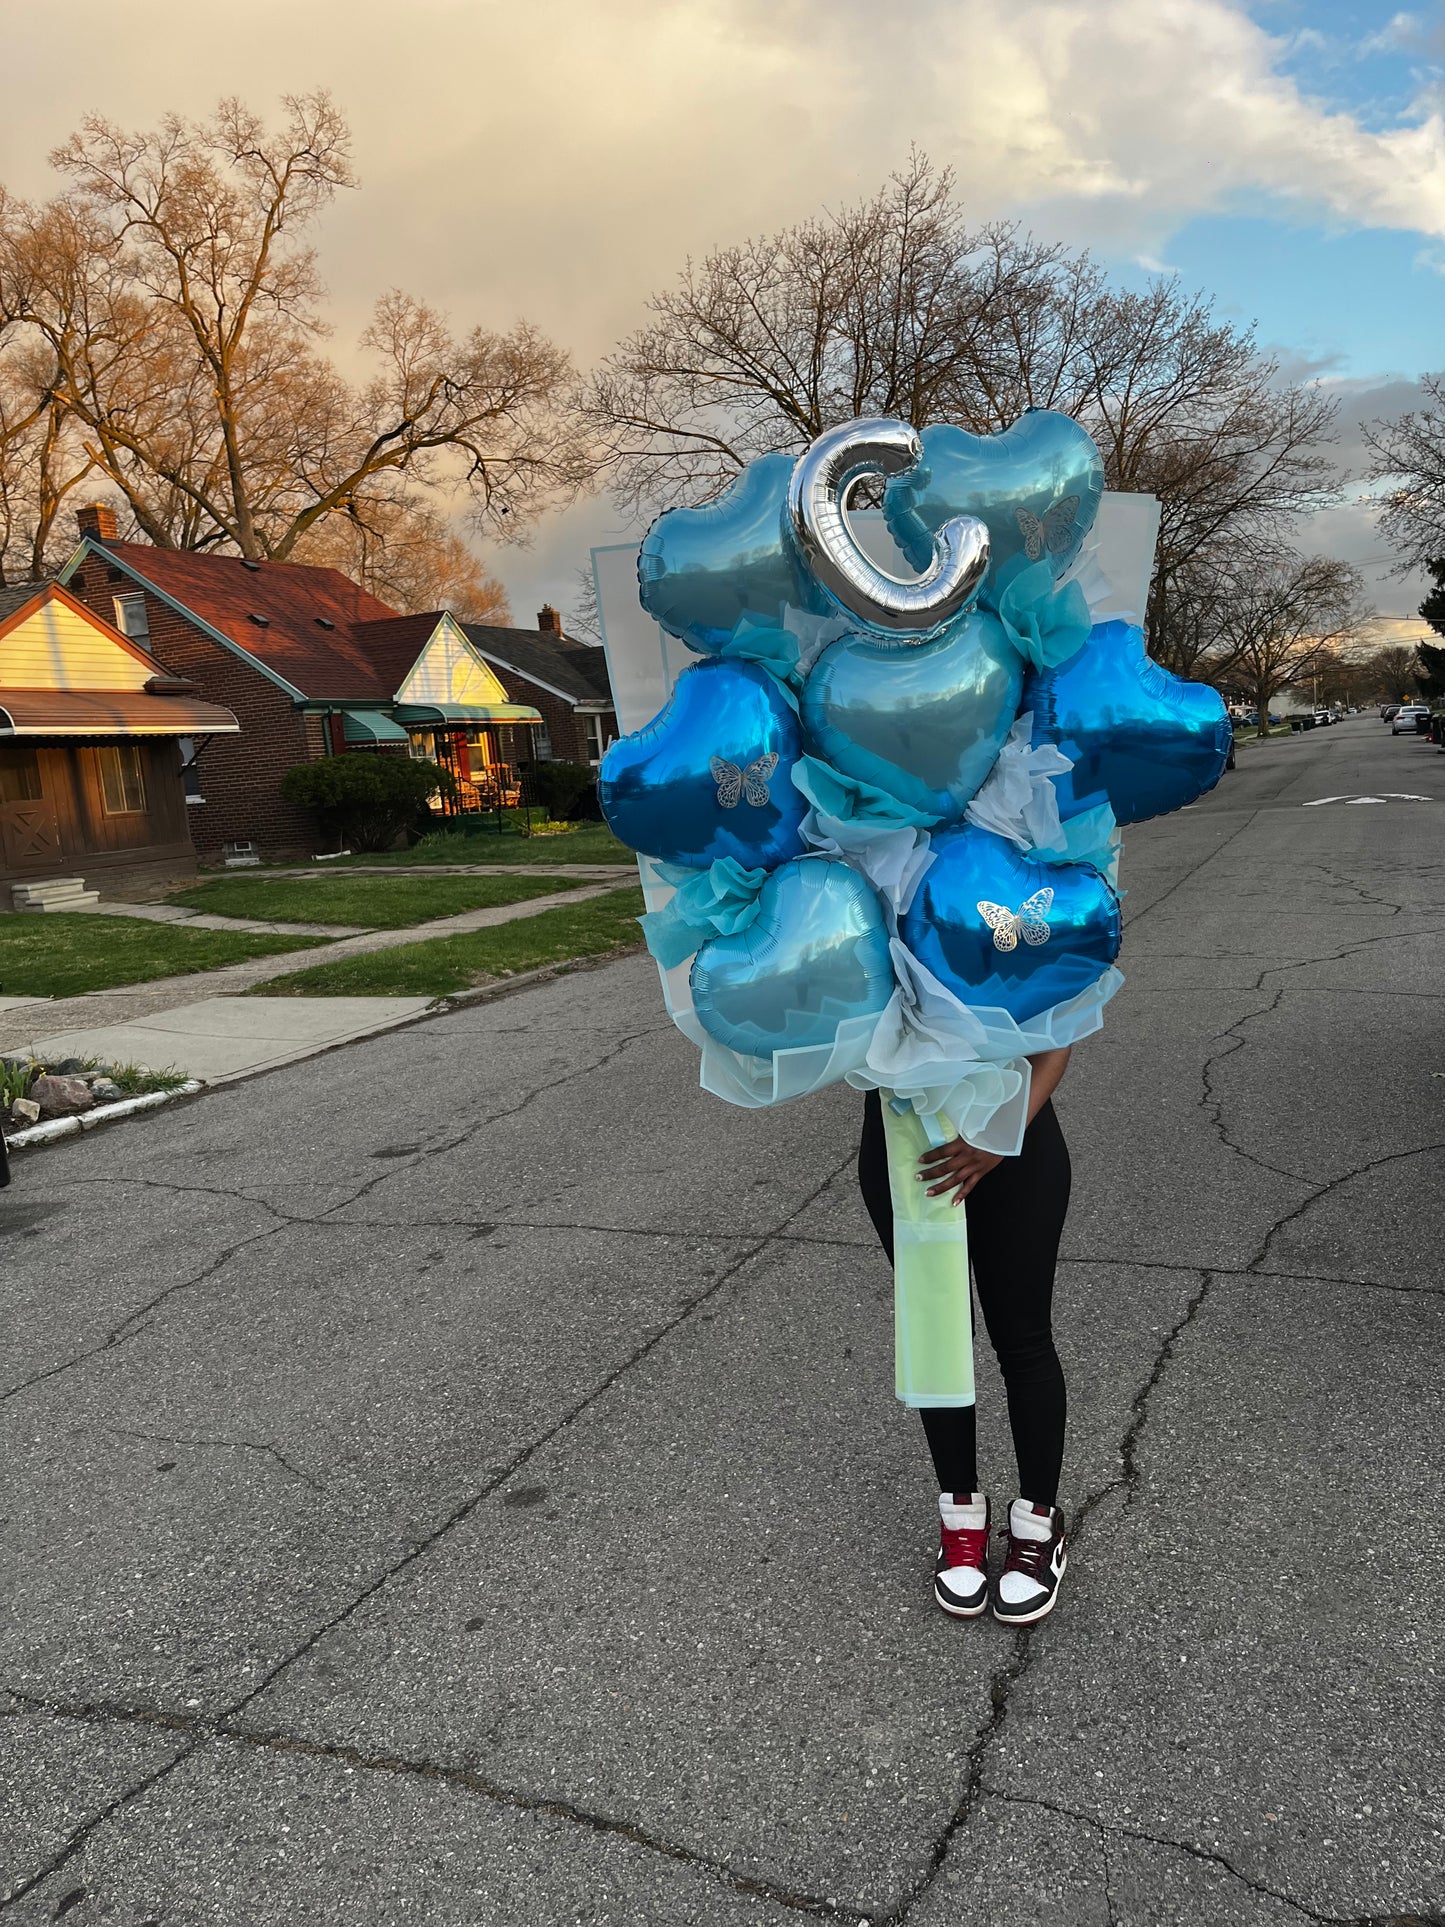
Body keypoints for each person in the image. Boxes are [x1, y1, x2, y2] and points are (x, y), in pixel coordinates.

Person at [857, 1047, 1073, 1626]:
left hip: (1013, 1137)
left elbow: (1058, 1029)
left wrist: (997, 1137)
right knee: (937, 1328)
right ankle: (960, 1520)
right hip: (905, 1142)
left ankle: (1037, 1527)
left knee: (1022, 1336)